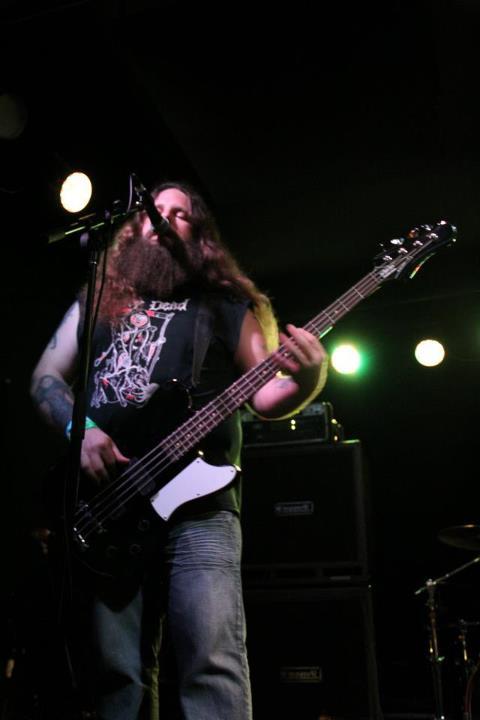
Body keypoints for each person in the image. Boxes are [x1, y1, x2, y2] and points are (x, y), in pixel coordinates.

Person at [30, 181, 328, 720]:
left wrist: (309, 377)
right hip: (108, 504)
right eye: (155, 211)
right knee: (116, 675)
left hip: (199, 506)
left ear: (200, 235)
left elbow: (266, 396)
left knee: (210, 661)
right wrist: (83, 430)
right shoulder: (97, 301)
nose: (163, 220)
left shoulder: (225, 306)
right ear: (132, 228)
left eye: (180, 214)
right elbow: (45, 376)